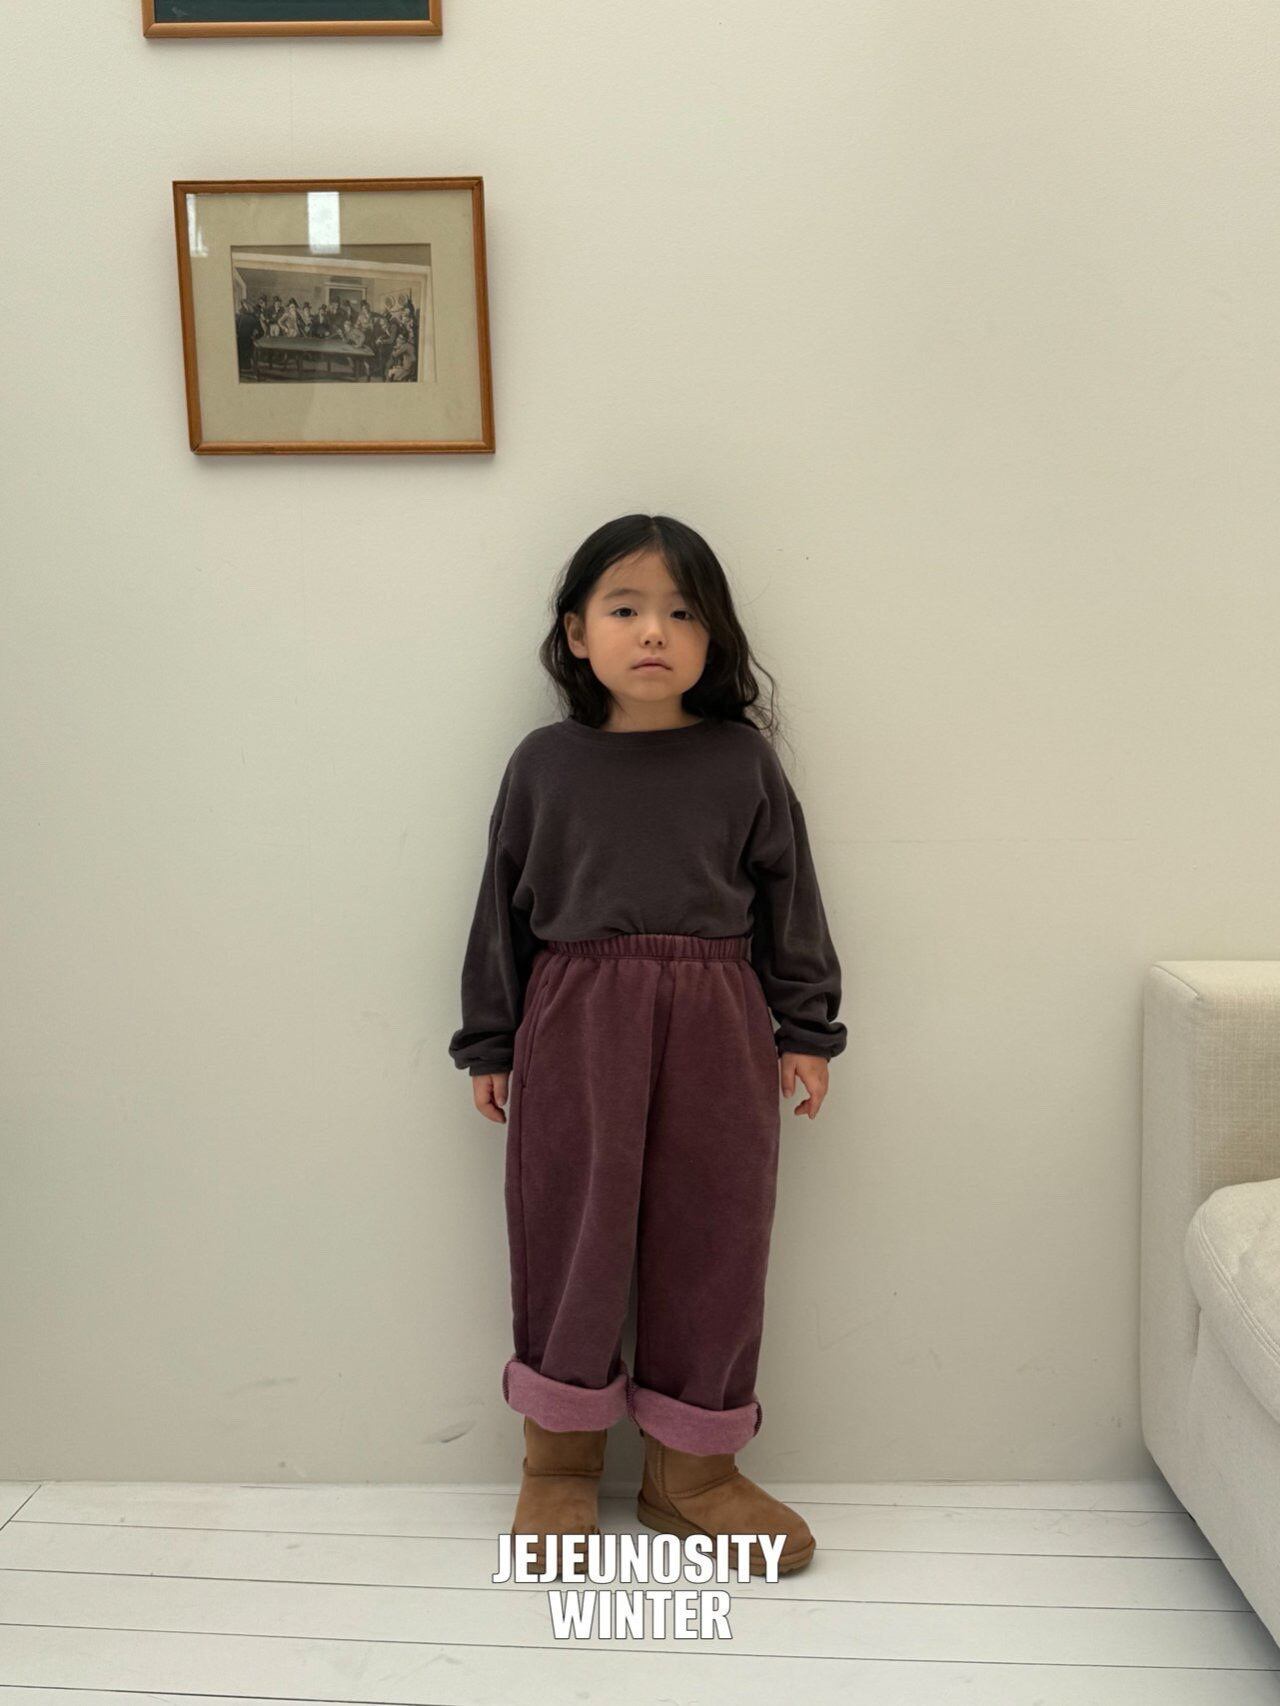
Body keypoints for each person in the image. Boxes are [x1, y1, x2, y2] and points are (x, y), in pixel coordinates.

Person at [447, 514, 847, 1579]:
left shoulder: (741, 762)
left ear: (714, 637)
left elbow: (791, 903)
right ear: (576, 632)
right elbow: (498, 911)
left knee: (715, 1233)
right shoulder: (543, 765)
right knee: (572, 1231)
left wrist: (807, 1027)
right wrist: (489, 1039)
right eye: (625, 608)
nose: (655, 631)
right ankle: (559, 1462)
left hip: (719, 1017)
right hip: (575, 1019)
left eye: (682, 612)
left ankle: (693, 1472)